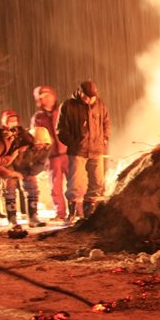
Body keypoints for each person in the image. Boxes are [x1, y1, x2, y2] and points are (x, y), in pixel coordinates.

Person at [56, 80, 110, 224]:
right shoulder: (68, 106)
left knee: (97, 182)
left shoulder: (99, 104)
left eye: (92, 97)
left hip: (96, 150)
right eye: (86, 97)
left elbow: (106, 123)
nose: (89, 100)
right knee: (75, 183)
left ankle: (89, 213)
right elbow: (61, 129)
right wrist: (74, 143)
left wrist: (104, 139)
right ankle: (71, 213)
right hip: (78, 151)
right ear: (79, 92)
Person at [31, 85, 69, 221]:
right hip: (51, 156)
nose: (47, 99)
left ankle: (78, 211)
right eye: (43, 97)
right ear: (39, 100)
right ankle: (60, 213)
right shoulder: (38, 117)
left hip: (67, 152)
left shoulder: (62, 111)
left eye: (49, 96)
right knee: (55, 186)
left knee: (75, 184)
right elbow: (35, 137)